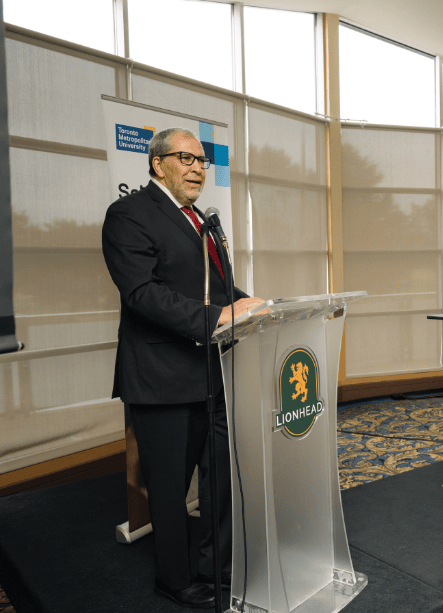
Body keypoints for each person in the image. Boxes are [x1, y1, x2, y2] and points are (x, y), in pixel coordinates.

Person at [102, 127, 264, 608]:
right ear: (157, 164)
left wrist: (253, 305)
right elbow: (141, 294)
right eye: (186, 158)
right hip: (160, 377)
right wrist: (218, 316)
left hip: (213, 373)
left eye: (202, 161)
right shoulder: (128, 215)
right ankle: (173, 580)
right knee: (170, 490)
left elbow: (214, 288)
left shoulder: (201, 220)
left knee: (220, 481)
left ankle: (217, 567)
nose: (197, 168)